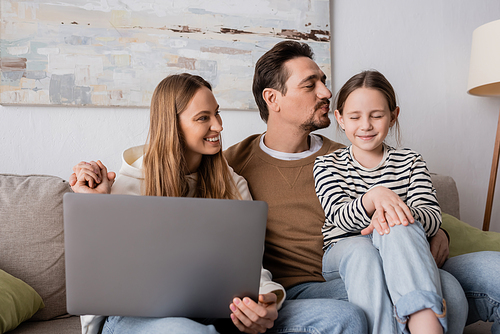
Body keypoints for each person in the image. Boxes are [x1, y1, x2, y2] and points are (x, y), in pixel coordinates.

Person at [69, 73, 368, 334]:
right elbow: (102, 276)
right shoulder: (130, 182)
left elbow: (250, 266)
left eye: (217, 113)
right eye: (203, 118)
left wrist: (264, 302)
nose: (219, 126)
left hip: (220, 312)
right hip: (138, 319)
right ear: (172, 125)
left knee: (346, 317)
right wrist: (94, 207)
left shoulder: (232, 182)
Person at [223, 40, 477, 334]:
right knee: (376, 263)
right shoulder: (233, 164)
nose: (326, 93)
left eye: (324, 81)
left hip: (359, 268)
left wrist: (437, 231)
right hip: (294, 290)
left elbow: (390, 211)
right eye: (310, 85)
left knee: (452, 291)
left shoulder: (347, 155)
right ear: (273, 98)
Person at [313, 70, 446, 333]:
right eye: (354, 117)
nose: (366, 125)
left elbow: (431, 217)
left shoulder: (411, 161)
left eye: (377, 115)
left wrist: (393, 213)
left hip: (400, 246)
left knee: (397, 226)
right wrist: (374, 197)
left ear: (393, 116)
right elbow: (338, 216)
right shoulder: (327, 164)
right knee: (364, 250)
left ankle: (424, 323)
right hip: (344, 251)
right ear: (339, 119)